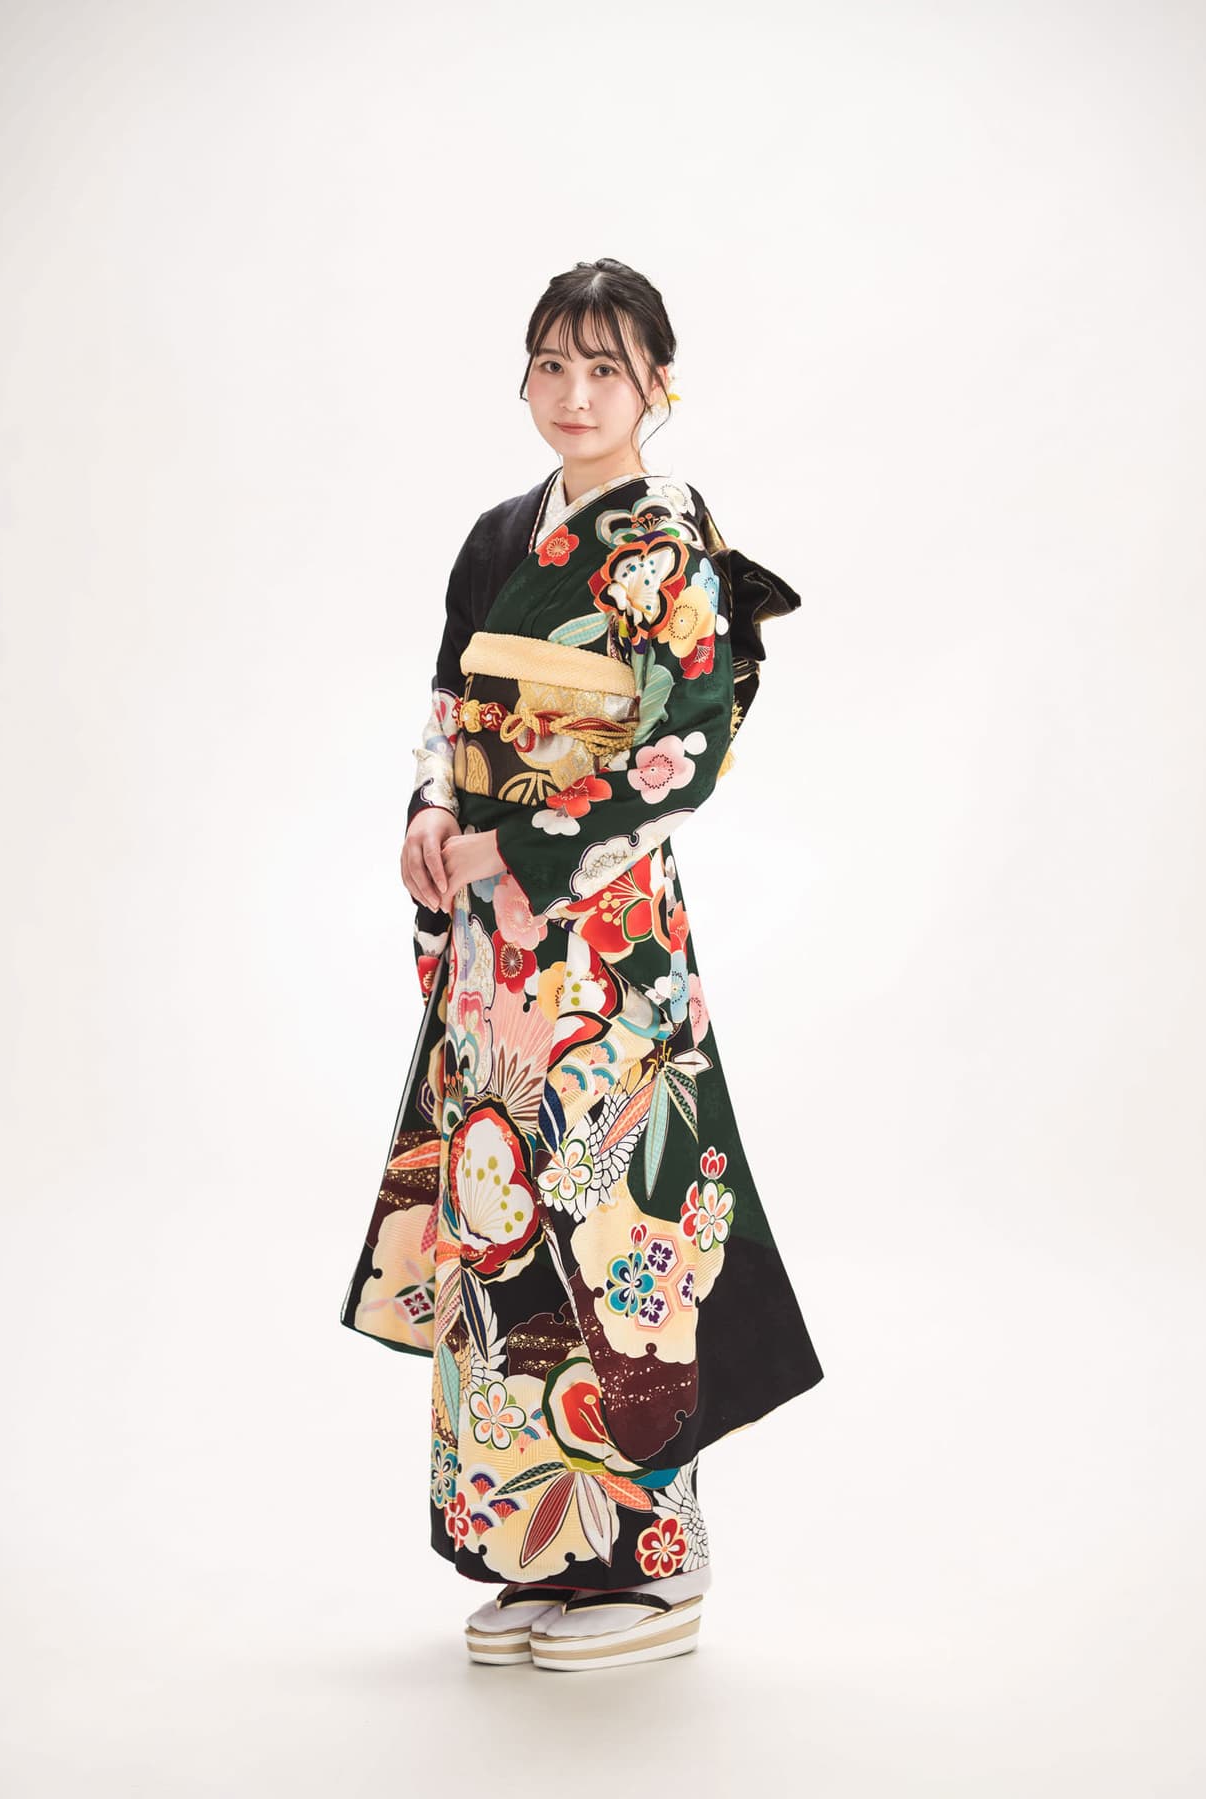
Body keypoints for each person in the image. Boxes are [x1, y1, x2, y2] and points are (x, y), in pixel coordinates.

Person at [340, 257, 824, 1672]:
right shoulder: (500, 535)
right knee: (502, 1227)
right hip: (494, 951)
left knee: (618, 1229)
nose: (575, 393)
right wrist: (433, 813)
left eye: (606, 367)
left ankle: (657, 1568)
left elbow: (683, 755)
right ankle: (541, 1547)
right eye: (552, 363)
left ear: (657, 385)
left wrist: (515, 845)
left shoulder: (669, 547)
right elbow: (450, 709)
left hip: (605, 946)